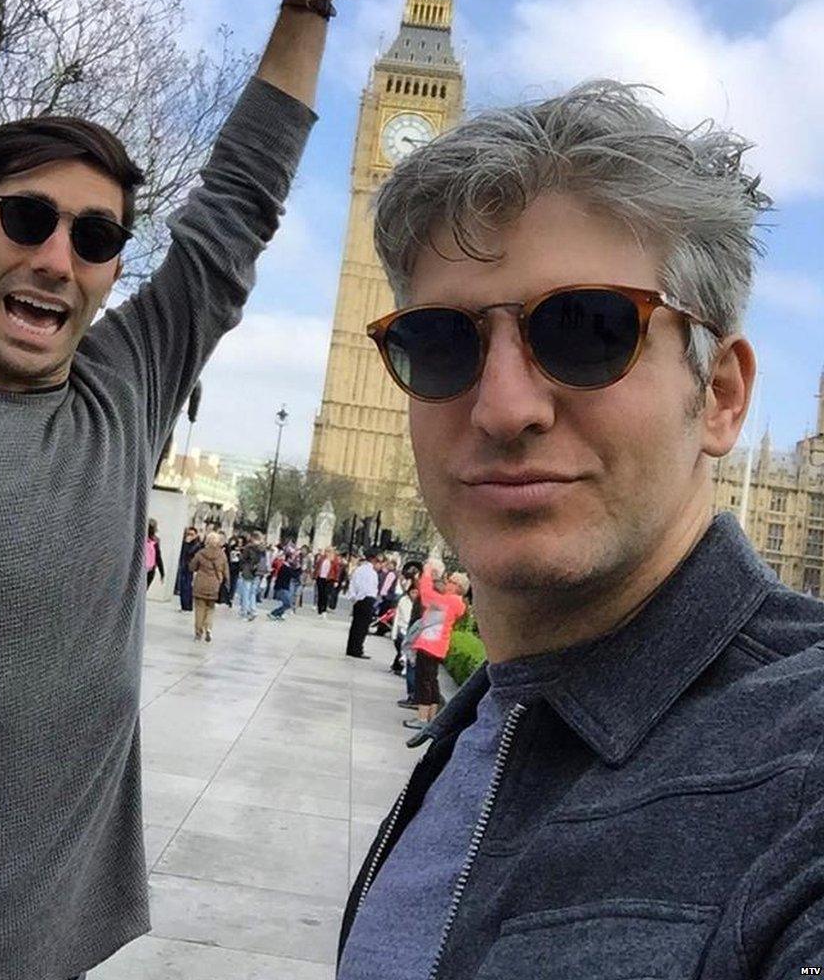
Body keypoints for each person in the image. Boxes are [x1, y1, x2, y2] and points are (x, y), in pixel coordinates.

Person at [0, 0, 434, 980]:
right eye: (27, 220)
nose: (58, 257)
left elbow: (235, 208)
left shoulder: (120, 395)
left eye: (98, 236)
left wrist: (306, 4)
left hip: (56, 953)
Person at [335, 81, 824, 978]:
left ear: (718, 396)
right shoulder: (485, 726)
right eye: (442, 342)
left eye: (588, 330)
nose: (504, 406)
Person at [402, 564, 468, 730]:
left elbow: (426, 595)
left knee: (424, 682)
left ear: (458, 587)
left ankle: (423, 718)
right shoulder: (454, 602)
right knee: (431, 681)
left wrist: (427, 573)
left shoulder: (449, 601)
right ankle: (431, 716)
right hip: (435, 645)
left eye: (451, 581)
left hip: (430, 645)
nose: (447, 582)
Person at [189, 531, 229, 642]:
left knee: (199, 609)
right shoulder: (222, 555)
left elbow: (192, 567)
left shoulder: (201, 553)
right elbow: (226, 572)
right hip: (214, 584)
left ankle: (198, 633)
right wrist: (226, 583)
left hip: (200, 583)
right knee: (210, 609)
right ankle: (208, 628)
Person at [345, 547, 380, 658]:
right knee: (362, 626)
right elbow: (368, 588)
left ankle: (351, 648)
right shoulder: (371, 572)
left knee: (355, 625)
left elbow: (353, 584)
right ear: (374, 560)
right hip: (366, 599)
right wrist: (362, 597)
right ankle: (357, 649)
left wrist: (354, 598)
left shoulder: (359, 569)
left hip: (358, 600)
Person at [267, 548, 299, 620]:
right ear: (289, 559)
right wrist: (300, 569)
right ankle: (273, 613)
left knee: (286, 603)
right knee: (287, 604)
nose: (293, 561)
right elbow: (294, 575)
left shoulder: (287, 566)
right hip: (281, 588)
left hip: (283, 587)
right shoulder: (285, 567)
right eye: (292, 559)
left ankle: (279, 614)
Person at [237, 531, 262, 621]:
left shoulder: (248, 547)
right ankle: (253, 610)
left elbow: (243, 559)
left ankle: (245, 611)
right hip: (258, 572)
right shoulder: (263, 548)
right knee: (252, 593)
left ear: (252, 538)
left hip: (248, 571)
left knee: (246, 592)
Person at [176, 524, 201, 610]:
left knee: (187, 586)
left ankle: (187, 605)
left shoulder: (197, 545)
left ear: (196, 535)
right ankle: (184, 605)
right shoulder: (185, 543)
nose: (190, 536)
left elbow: (189, 552)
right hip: (183, 566)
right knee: (183, 586)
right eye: (188, 534)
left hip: (190, 568)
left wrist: (187, 543)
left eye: (192, 534)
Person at [144, 518, 165, 590]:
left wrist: (162, 573)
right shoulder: (155, 540)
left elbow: (158, 557)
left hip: (146, 569)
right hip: (149, 569)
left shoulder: (142, 538)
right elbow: (158, 557)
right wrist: (162, 573)